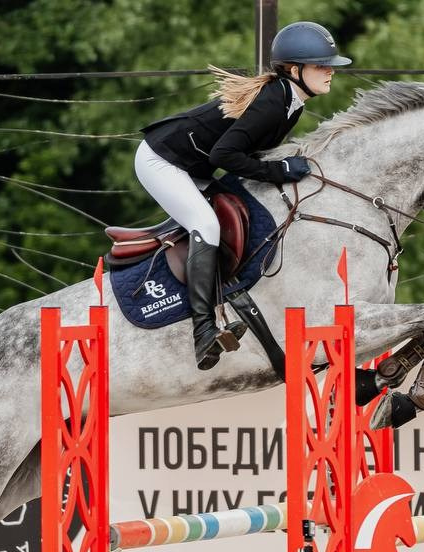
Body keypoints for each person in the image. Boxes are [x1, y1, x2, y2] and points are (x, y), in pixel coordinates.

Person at [135, 21, 351, 370]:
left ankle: (230, 294)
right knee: (206, 225)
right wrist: (279, 170)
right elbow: (224, 155)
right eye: (321, 65)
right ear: (294, 70)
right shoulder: (273, 102)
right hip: (163, 160)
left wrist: (278, 168)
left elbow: (245, 155)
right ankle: (203, 331)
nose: (330, 71)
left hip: (195, 164)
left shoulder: (291, 102)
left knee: (235, 216)